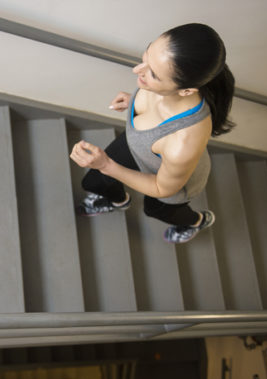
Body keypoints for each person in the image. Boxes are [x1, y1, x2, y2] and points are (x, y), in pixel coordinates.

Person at [70, 23, 235, 244]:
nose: (137, 71)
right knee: (94, 183)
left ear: (186, 90)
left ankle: (197, 221)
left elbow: (161, 188)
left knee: (157, 209)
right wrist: (133, 102)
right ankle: (118, 201)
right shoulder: (162, 83)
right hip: (140, 147)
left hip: (168, 181)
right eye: (147, 55)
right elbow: (155, 108)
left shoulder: (182, 143)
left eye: (153, 74)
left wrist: (106, 165)